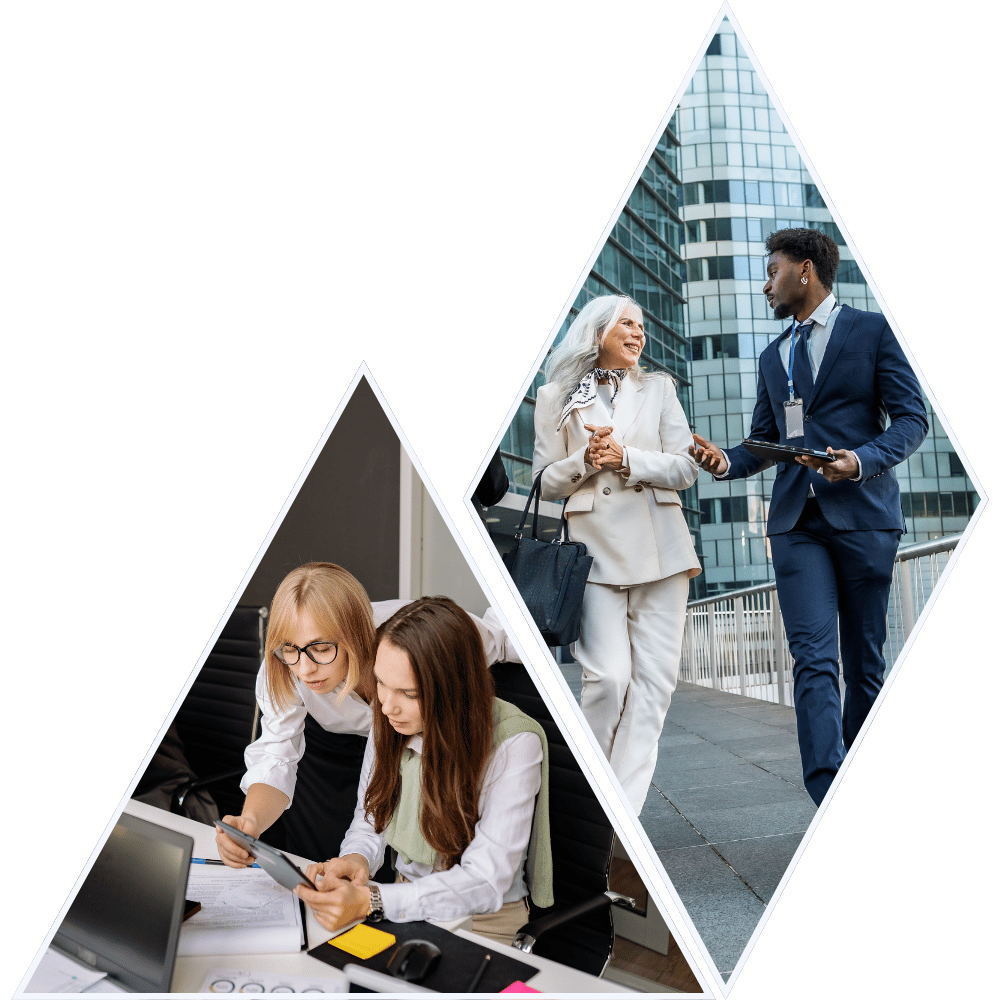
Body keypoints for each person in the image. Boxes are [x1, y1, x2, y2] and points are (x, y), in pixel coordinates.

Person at [690, 228, 928, 807]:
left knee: (866, 663)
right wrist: (724, 461)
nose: (765, 283)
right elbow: (763, 442)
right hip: (796, 524)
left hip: (865, 518)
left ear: (805, 270)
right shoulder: (774, 356)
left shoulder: (872, 331)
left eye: (772, 271)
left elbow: (911, 419)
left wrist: (862, 460)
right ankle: (824, 790)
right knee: (814, 659)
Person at [215, 562, 520, 867]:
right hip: (329, 751)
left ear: (353, 634)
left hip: (411, 742)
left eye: (321, 649)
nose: (304, 669)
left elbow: (504, 639)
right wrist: (250, 822)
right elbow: (276, 757)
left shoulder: (417, 636)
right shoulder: (284, 664)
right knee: (334, 856)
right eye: (289, 648)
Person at [294, 596, 552, 944]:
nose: (385, 704)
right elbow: (371, 818)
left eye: (409, 693)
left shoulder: (514, 744)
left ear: (455, 689)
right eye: (380, 682)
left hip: (483, 923)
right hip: (402, 903)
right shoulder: (388, 720)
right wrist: (356, 859)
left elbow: (486, 880)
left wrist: (373, 900)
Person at [532, 294, 701, 813]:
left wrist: (627, 459)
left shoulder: (659, 389)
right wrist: (585, 459)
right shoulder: (555, 394)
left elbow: (685, 468)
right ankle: (589, 788)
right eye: (627, 323)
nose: (638, 333)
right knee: (607, 678)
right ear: (598, 330)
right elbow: (543, 479)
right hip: (593, 552)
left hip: (661, 549)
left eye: (642, 326)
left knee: (653, 688)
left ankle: (616, 815)